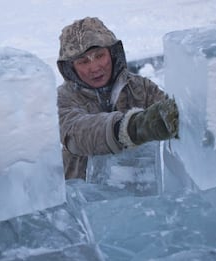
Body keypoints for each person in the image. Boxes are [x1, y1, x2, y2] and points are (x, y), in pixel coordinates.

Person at [56, 17, 179, 180]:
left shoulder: (141, 88)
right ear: (71, 68)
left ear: (113, 54)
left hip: (142, 191)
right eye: (83, 61)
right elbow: (77, 135)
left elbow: (175, 117)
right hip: (84, 198)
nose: (95, 67)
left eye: (100, 56)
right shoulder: (61, 99)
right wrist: (132, 127)